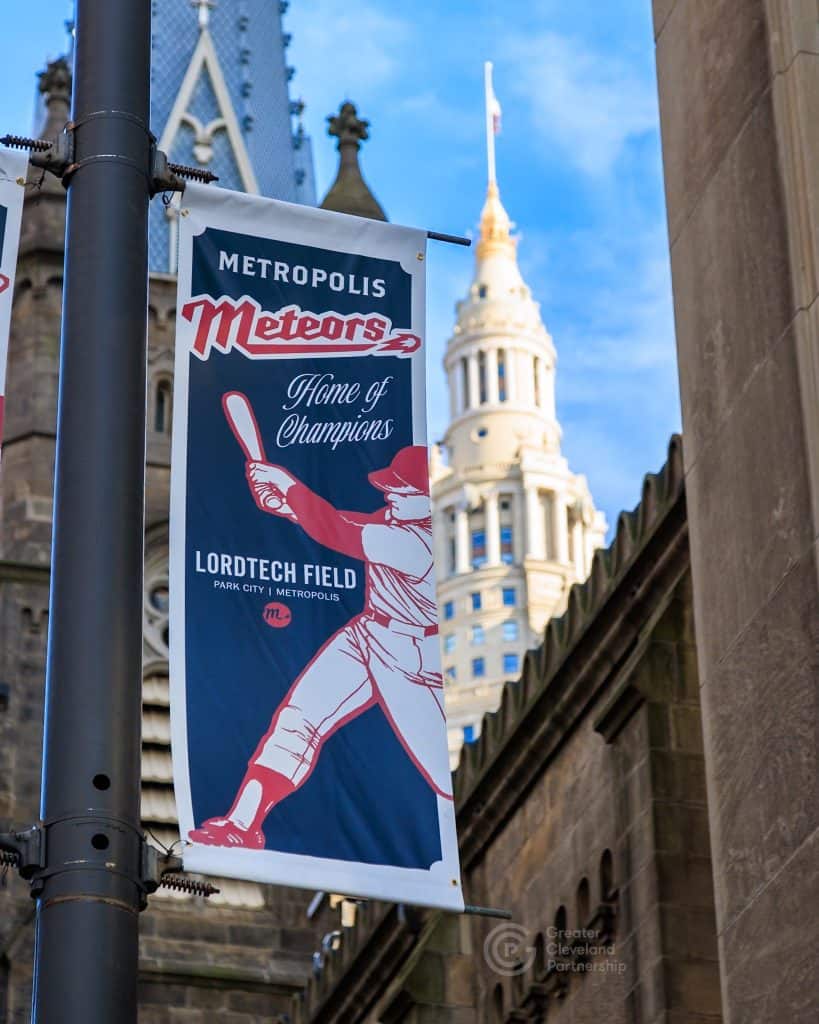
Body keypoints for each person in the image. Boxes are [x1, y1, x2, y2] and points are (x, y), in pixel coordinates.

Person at [189, 444, 452, 850]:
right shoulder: (393, 523)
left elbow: (341, 531)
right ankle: (243, 824)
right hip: (368, 634)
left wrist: (289, 488)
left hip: (410, 658)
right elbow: (342, 524)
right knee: (297, 718)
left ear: (425, 499)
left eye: (403, 491)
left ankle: (462, 846)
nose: (391, 495)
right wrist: (287, 506)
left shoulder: (418, 544)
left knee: (440, 776)